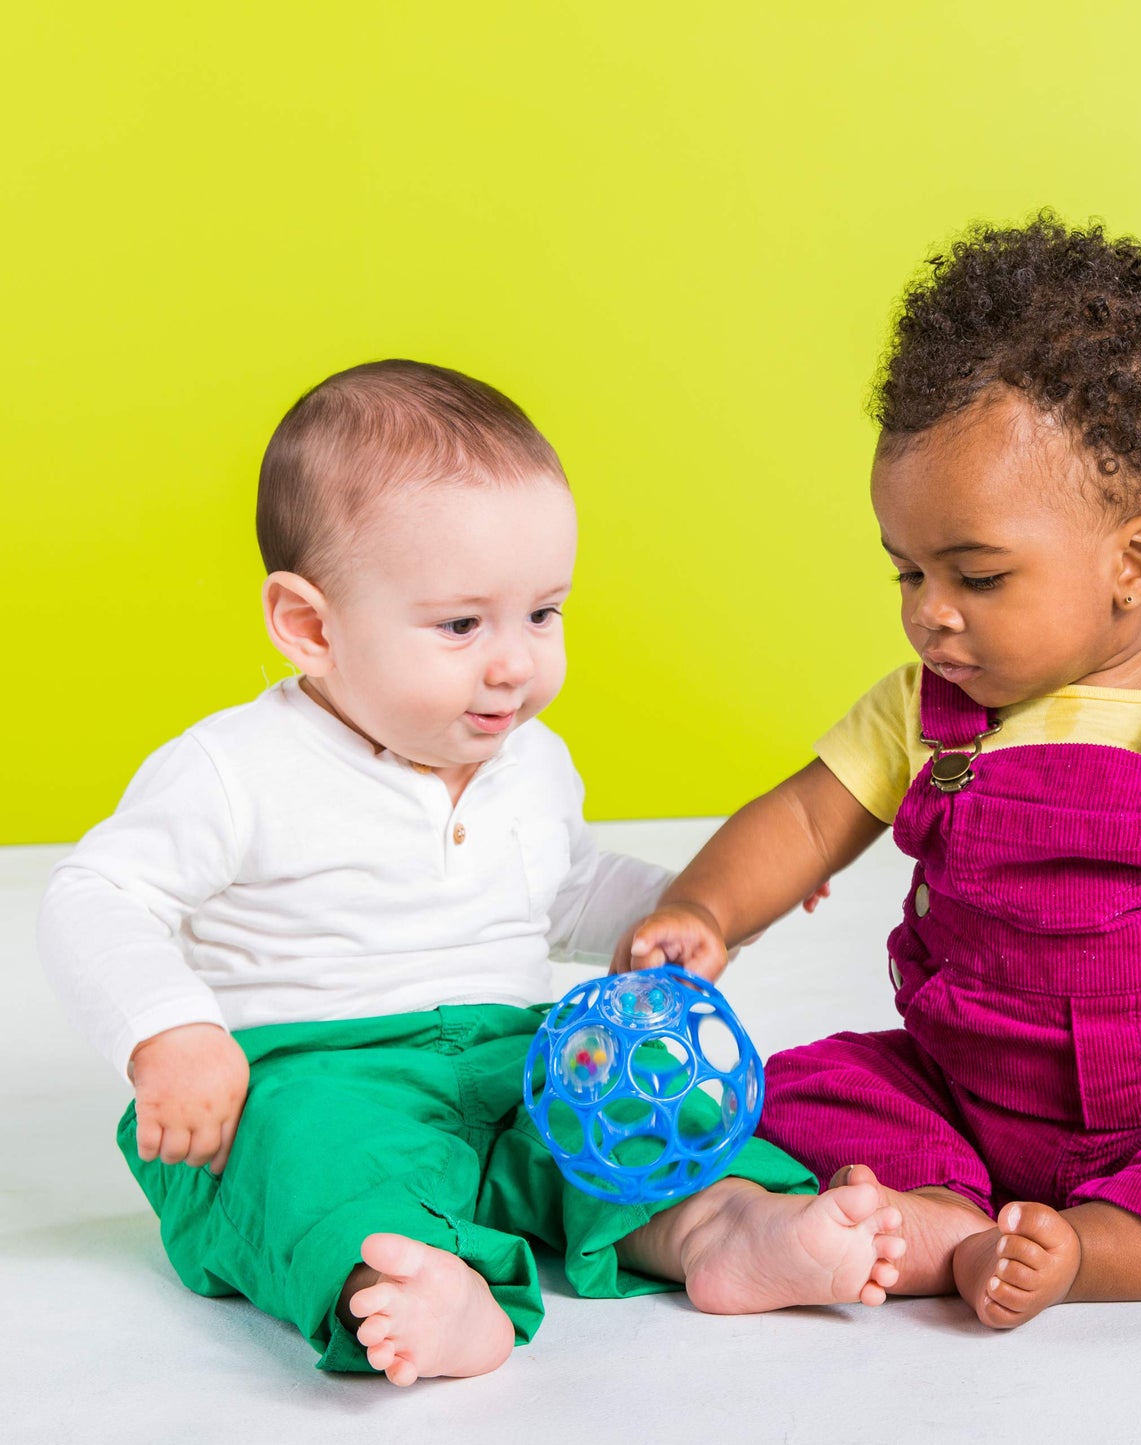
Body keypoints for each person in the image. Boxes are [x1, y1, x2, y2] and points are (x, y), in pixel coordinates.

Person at [613, 216, 1141, 1329]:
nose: (928, 612)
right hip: (968, 1091)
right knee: (798, 1083)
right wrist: (702, 907)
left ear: (1135, 559)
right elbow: (807, 817)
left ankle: (1102, 1246)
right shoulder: (924, 712)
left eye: (977, 574)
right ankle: (942, 1217)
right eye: (905, 571)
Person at [38, 359, 904, 1385]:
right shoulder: (235, 767)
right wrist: (169, 1030)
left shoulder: (528, 757)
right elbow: (95, 894)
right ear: (311, 627)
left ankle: (723, 1224)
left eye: (543, 613)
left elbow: (565, 886)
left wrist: (675, 911)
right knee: (305, 1157)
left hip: (510, 1057)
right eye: (461, 624)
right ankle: (409, 1287)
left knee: (634, 1102)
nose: (513, 663)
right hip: (312, 1065)